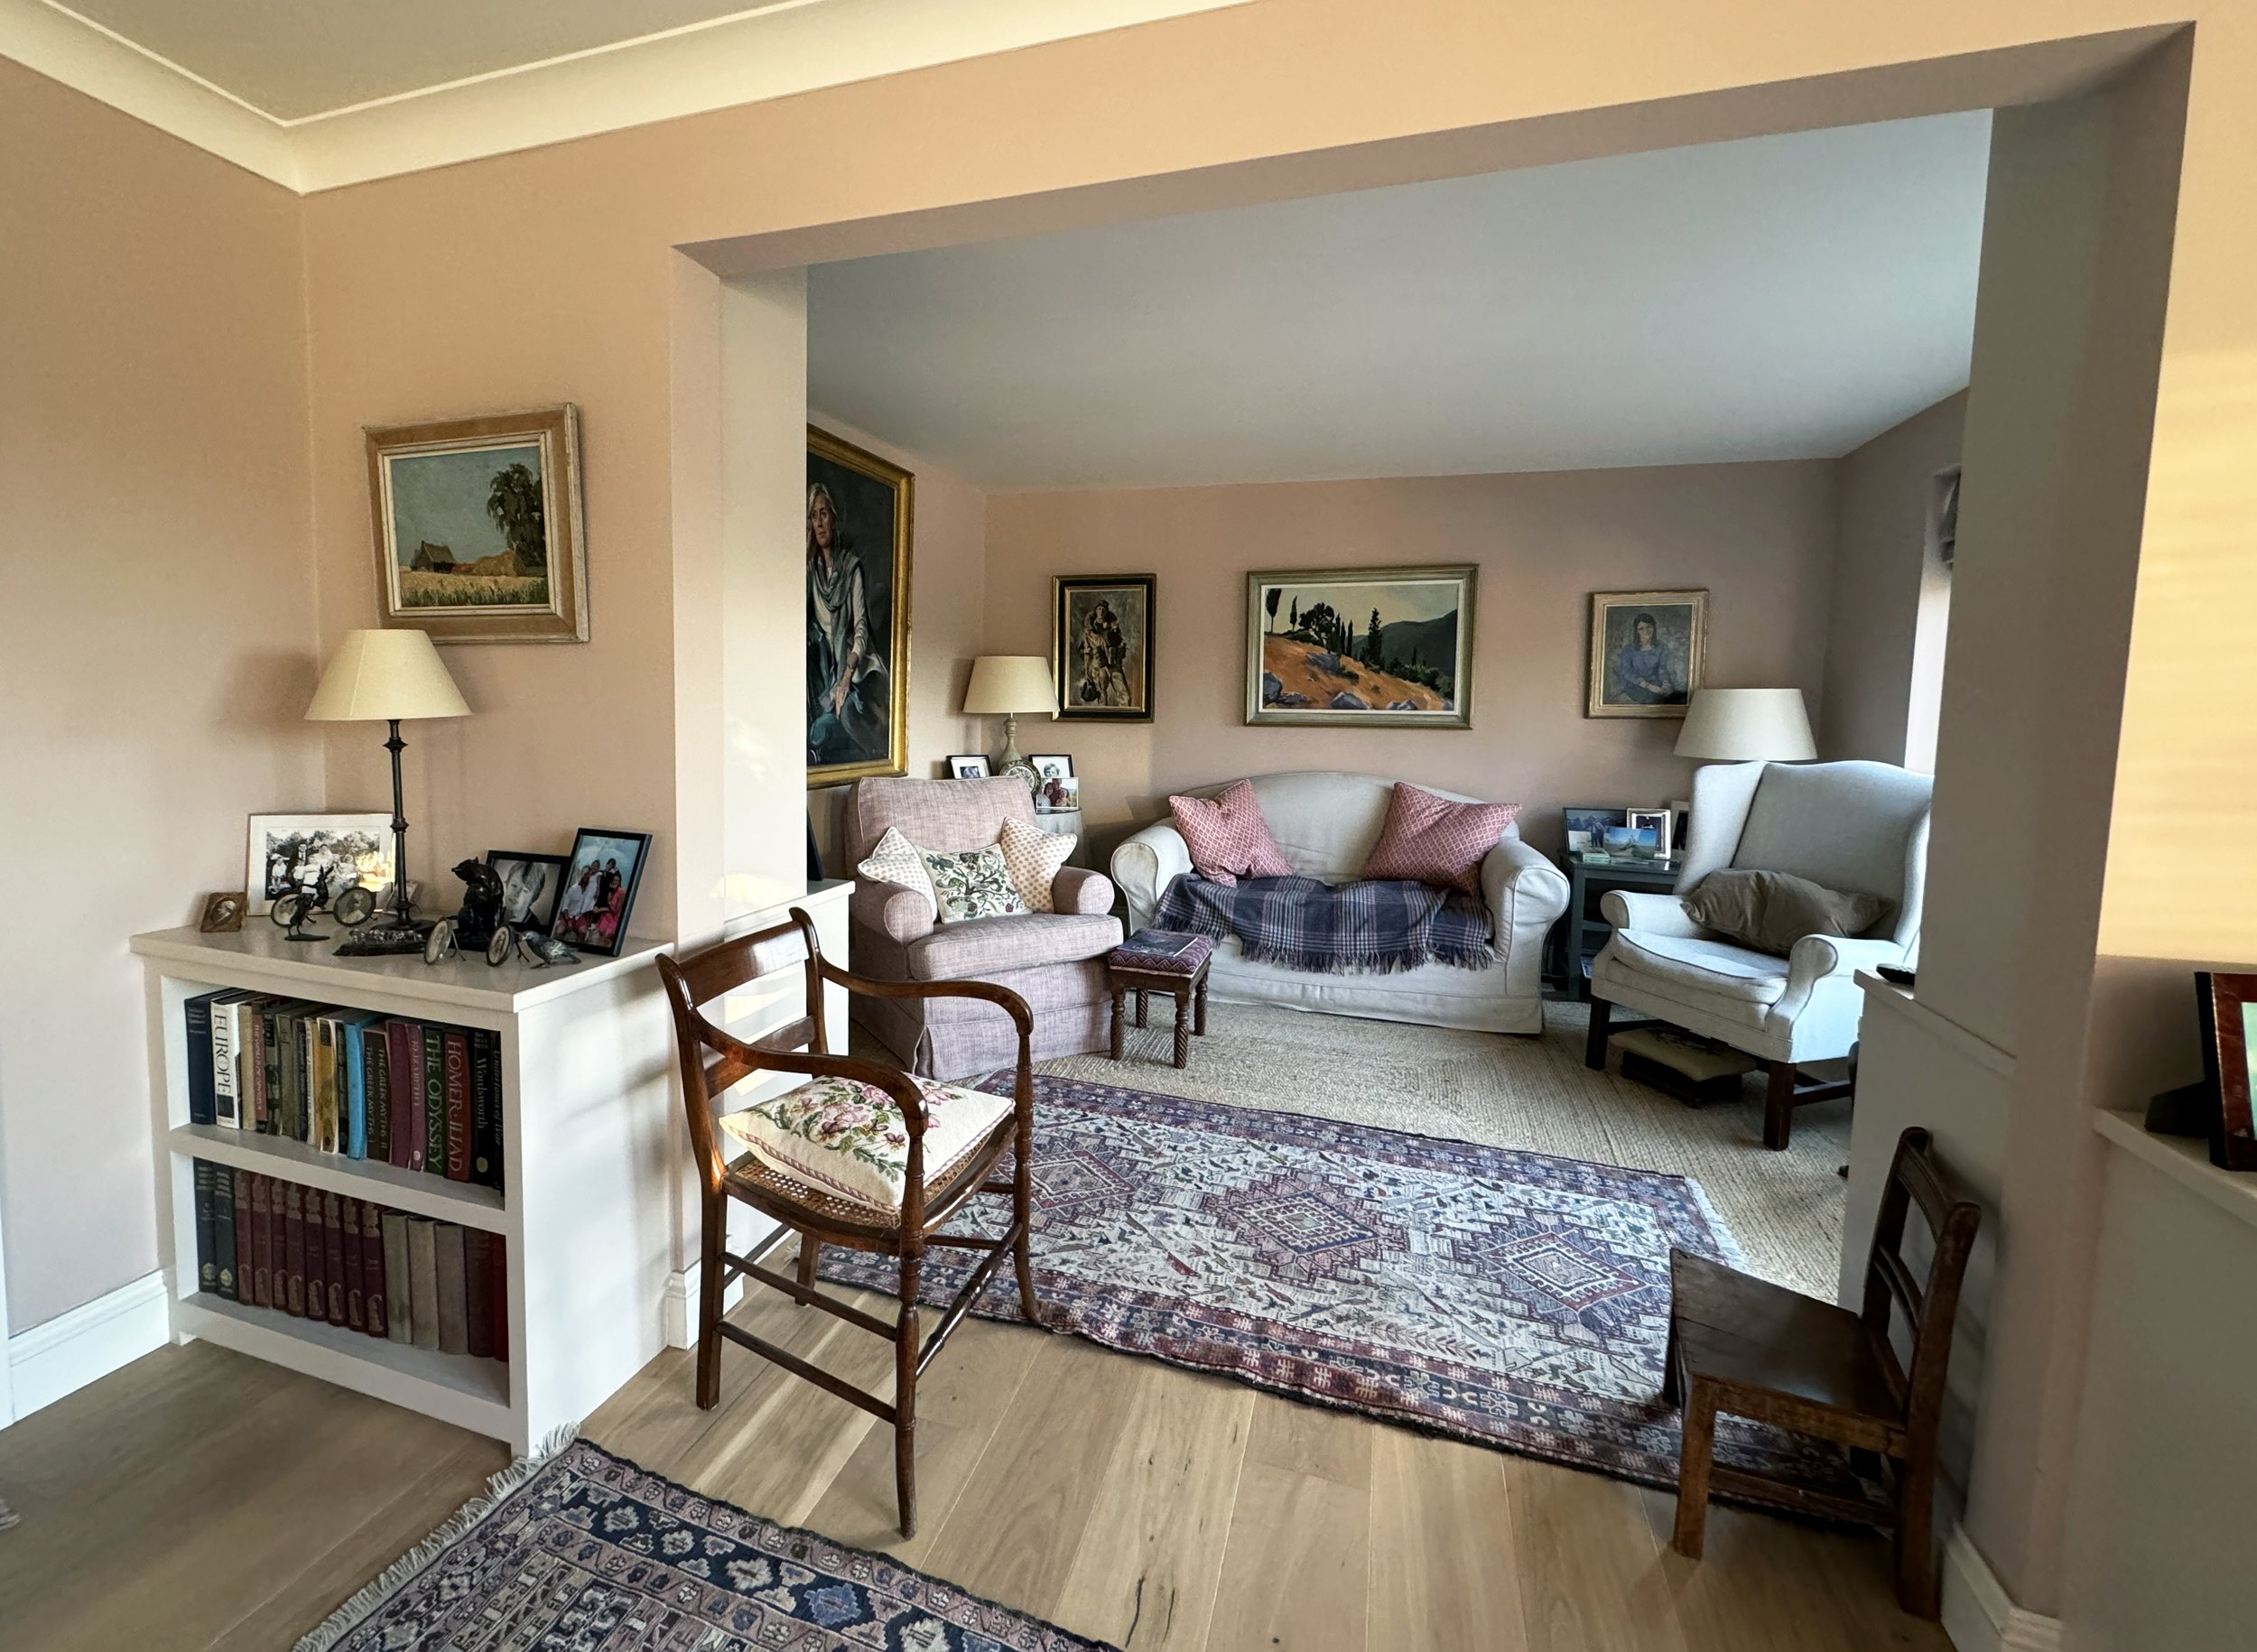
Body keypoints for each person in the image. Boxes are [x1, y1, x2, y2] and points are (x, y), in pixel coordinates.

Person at [806, 482, 889, 764]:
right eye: (813, 516)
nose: (819, 523)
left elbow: (861, 629)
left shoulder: (851, 568)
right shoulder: (810, 574)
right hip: (822, 670)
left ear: (834, 518)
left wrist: (844, 681)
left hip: (852, 670)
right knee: (814, 730)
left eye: (824, 514)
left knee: (846, 718)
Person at [1613, 612, 1682, 705]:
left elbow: (1662, 669)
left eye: (1649, 627)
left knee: (1674, 697)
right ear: (1637, 631)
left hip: (1655, 683)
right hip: (1635, 685)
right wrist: (1647, 686)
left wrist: (1666, 684)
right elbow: (1626, 672)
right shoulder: (1629, 649)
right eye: (1641, 628)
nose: (1646, 631)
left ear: (1654, 627)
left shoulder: (1661, 647)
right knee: (1650, 700)